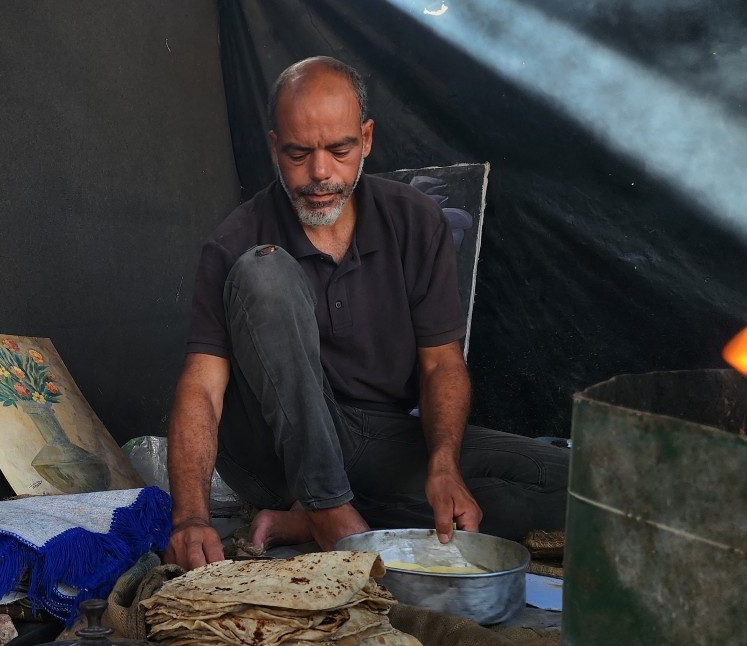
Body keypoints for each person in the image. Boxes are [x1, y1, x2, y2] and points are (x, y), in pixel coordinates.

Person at [163, 57, 568, 571]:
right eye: (298, 153)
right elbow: (201, 388)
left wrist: (443, 465)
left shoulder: (416, 222)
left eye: (340, 150)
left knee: (572, 490)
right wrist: (191, 517)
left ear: (367, 139)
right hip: (274, 451)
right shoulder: (234, 241)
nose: (320, 173)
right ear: (273, 148)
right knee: (264, 273)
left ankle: (314, 517)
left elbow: (441, 364)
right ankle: (326, 507)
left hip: (378, 439)